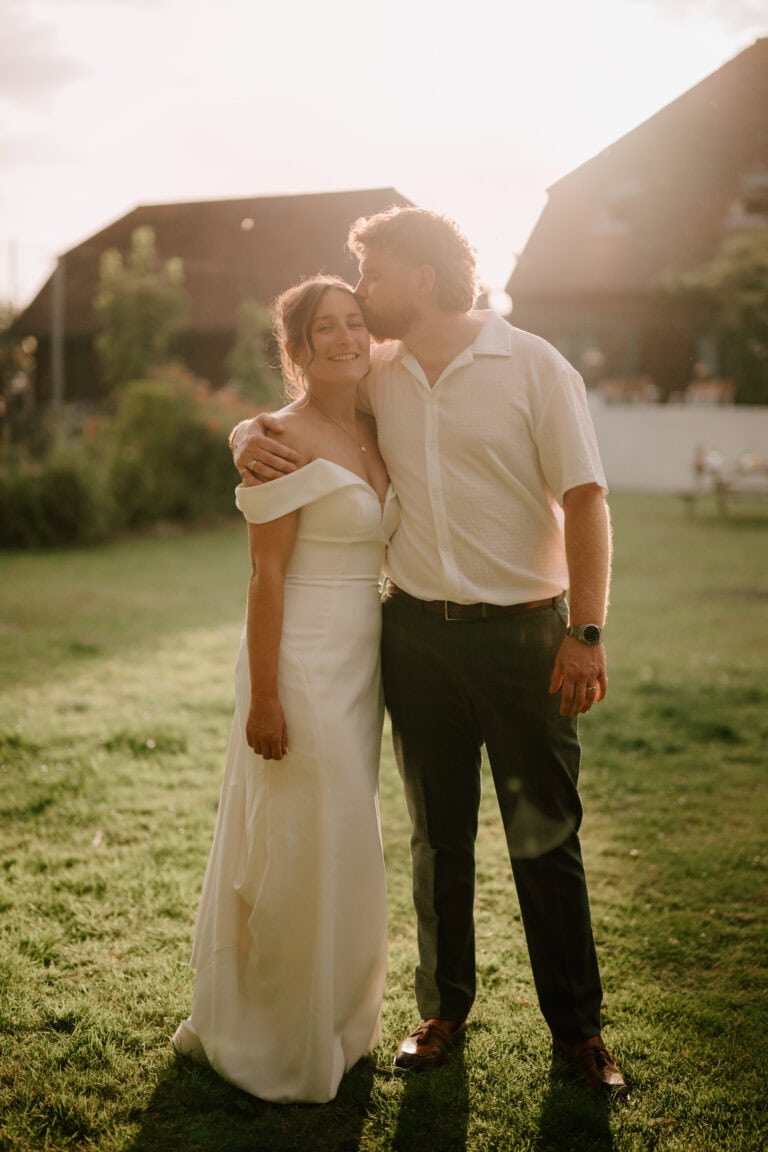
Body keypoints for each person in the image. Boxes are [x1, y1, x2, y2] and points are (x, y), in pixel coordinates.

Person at [231, 208, 628, 1095]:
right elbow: (305, 408)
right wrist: (247, 435)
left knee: (545, 839)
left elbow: (587, 500)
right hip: (413, 638)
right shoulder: (381, 371)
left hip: (529, 638)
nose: (362, 296)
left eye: (371, 275)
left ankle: (579, 1033)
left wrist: (586, 632)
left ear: (423, 274)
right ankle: (444, 1012)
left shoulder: (534, 366)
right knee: (436, 840)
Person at [174, 275, 398, 1103]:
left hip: (362, 660)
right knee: (301, 834)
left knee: (347, 833)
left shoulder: (381, 425)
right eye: (323, 329)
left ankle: (339, 1019)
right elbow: (264, 579)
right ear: (296, 349)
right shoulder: (279, 438)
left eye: (356, 324)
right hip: (297, 657)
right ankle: (273, 1031)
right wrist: (265, 697)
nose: (345, 339)